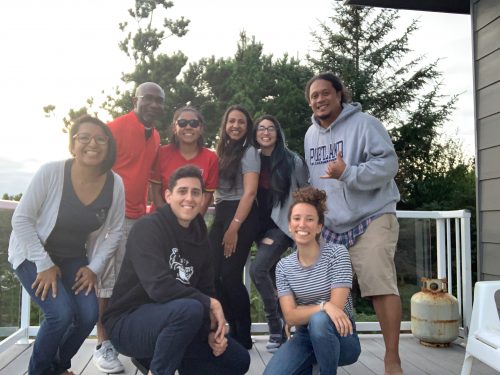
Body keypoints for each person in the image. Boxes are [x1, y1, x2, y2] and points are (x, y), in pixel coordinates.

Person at [102, 165, 250, 375]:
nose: (189, 198)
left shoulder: (202, 239)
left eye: (195, 192)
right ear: (168, 196)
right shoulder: (148, 228)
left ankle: (154, 359)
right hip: (128, 322)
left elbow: (206, 289)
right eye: (182, 191)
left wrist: (209, 331)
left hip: (178, 323)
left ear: (202, 199)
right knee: (189, 308)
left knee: (237, 360)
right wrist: (208, 303)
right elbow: (158, 287)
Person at [8, 115, 125, 375]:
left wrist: (94, 267)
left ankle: (59, 367)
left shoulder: (115, 184)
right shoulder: (52, 172)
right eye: (84, 137)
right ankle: (39, 372)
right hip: (32, 254)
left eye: (100, 138)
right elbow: (22, 219)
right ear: (73, 145)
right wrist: (44, 263)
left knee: (87, 315)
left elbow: (116, 231)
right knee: (59, 315)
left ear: (109, 145)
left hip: (73, 257)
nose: (92, 143)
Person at [304, 72, 402, 375]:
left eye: (325, 93)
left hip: (372, 215)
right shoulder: (310, 136)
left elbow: (389, 165)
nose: (319, 99)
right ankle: (326, 354)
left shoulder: (366, 124)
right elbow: (314, 179)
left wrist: (349, 173)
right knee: (319, 290)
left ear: (338, 95)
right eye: (314, 96)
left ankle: (392, 359)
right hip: (333, 224)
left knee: (378, 284)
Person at [92, 82, 164, 373]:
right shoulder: (114, 128)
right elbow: (95, 168)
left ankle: (133, 342)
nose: (154, 104)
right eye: (148, 98)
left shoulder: (156, 135)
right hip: (110, 218)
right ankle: (103, 343)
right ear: (136, 99)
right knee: (106, 284)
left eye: (159, 101)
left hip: (138, 217)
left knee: (134, 282)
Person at [264, 187, 361, 375]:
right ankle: (310, 365)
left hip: (341, 337)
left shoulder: (337, 254)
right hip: (304, 337)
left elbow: (337, 309)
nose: (302, 224)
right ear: (290, 225)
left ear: (318, 227)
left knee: (319, 321)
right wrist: (324, 305)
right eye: (297, 219)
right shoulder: (284, 266)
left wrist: (315, 311)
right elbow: (290, 316)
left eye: (309, 219)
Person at [249, 115, 309, 352]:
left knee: (257, 269)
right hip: (258, 228)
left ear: (278, 132)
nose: (265, 132)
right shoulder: (251, 159)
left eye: (270, 128)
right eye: (261, 128)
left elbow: (305, 193)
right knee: (274, 279)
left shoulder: (291, 160)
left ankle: (275, 327)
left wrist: (301, 228)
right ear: (255, 133)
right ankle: (288, 328)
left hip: (282, 227)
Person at [209, 105, 260, 349]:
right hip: (220, 213)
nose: (236, 126)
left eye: (241, 122)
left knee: (230, 276)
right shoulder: (220, 151)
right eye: (231, 121)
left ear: (247, 127)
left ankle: (244, 335)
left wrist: (234, 227)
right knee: (213, 274)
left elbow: (250, 193)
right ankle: (227, 326)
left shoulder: (249, 152)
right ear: (225, 124)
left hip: (241, 214)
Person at [150, 106, 218, 215]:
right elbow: (155, 192)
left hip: (191, 222)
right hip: (160, 220)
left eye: (194, 123)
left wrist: (189, 223)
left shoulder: (211, 158)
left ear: (201, 128)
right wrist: (170, 220)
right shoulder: (161, 153)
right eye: (182, 123)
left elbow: (206, 198)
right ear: (174, 128)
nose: (188, 127)